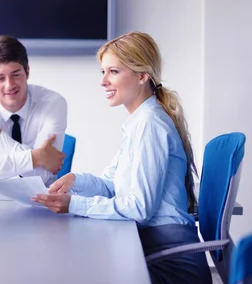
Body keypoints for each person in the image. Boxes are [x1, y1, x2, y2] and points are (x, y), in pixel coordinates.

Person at [33, 32, 211, 284]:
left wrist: (74, 205)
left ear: (142, 75)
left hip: (169, 262)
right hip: (152, 248)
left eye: (113, 71)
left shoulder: (150, 124)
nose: (103, 81)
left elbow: (139, 208)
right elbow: (112, 185)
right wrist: (75, 180)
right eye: (102, 72)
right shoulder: (139, 121)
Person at [0, 35, 68, 185]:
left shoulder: (53, 103)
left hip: (41, 199)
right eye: (0, 78)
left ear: (27, 71)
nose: (9, 85)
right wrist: (36, 158)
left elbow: (41, 176)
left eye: (16, 75)